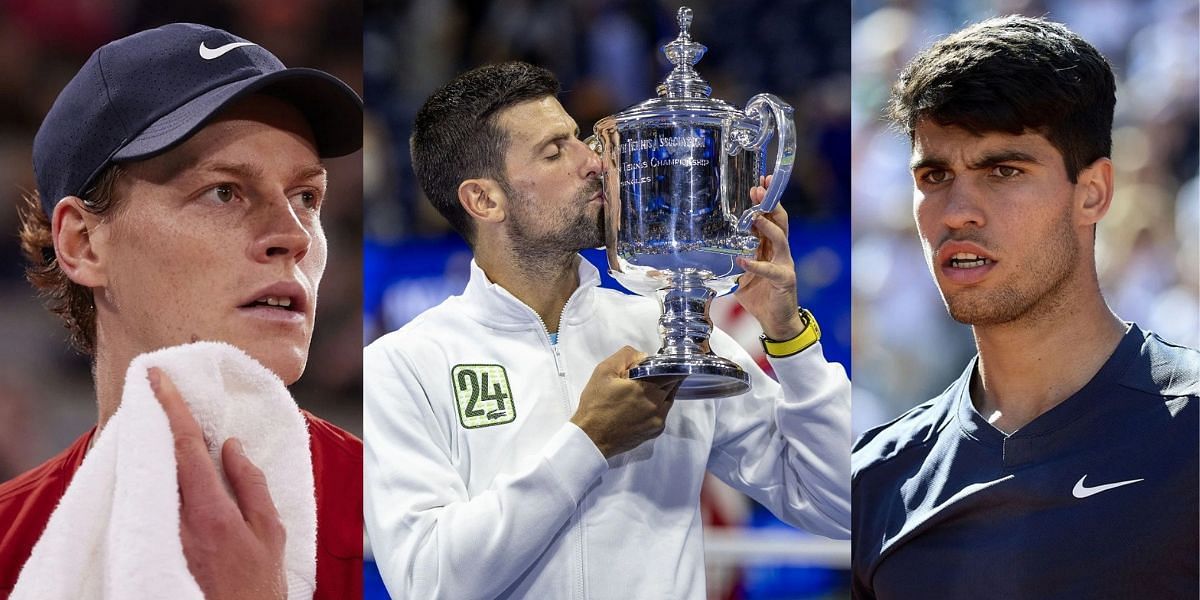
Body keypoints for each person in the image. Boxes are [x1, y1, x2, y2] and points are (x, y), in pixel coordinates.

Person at [363, 61, 851, 599]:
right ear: (484, 200)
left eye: (581, 138)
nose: (595, 162)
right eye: (555, 152)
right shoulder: (405, 363)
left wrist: (788, 336)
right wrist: (587, 442)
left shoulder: (663, 331)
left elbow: (840, 508)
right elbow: (427, 582)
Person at [0, 23, 364, 599]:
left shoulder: (413, 517)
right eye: (224, 191)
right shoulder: (7, 542)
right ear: (83, 243)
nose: (292, 235)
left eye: (306, 197)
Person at [851, 15, 1198, 599]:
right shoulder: (879, 477)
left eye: (1002, 171)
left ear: (1093, 193)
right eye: (935, 175)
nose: (958, 211)